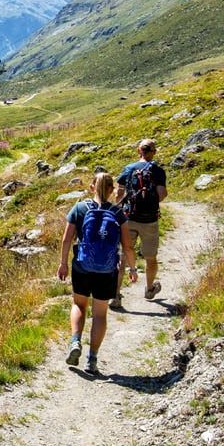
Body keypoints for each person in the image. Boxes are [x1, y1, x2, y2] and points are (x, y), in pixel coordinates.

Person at [57, 171, 138, 375]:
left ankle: (75, 341)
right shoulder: (118, 214)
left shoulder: (79, 208)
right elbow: (127, 246)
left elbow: (67, 239)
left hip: (82, 265)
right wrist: (133, 268)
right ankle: (92, 360)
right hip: (107, 269)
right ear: (111, 190)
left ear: (92, 187)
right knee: (100, 314)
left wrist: (63, 263)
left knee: (79, 304)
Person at [115, 138, 168, 300]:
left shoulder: (129, 169)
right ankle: (150, 289)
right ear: (154, 152)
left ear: (139, 151)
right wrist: (149, 202)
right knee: (150, 257)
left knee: (123, 256)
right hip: (149, 220)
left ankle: (115, 295)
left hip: (128, 219)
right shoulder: (158, 171)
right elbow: (162, 194)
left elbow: (119, 194)